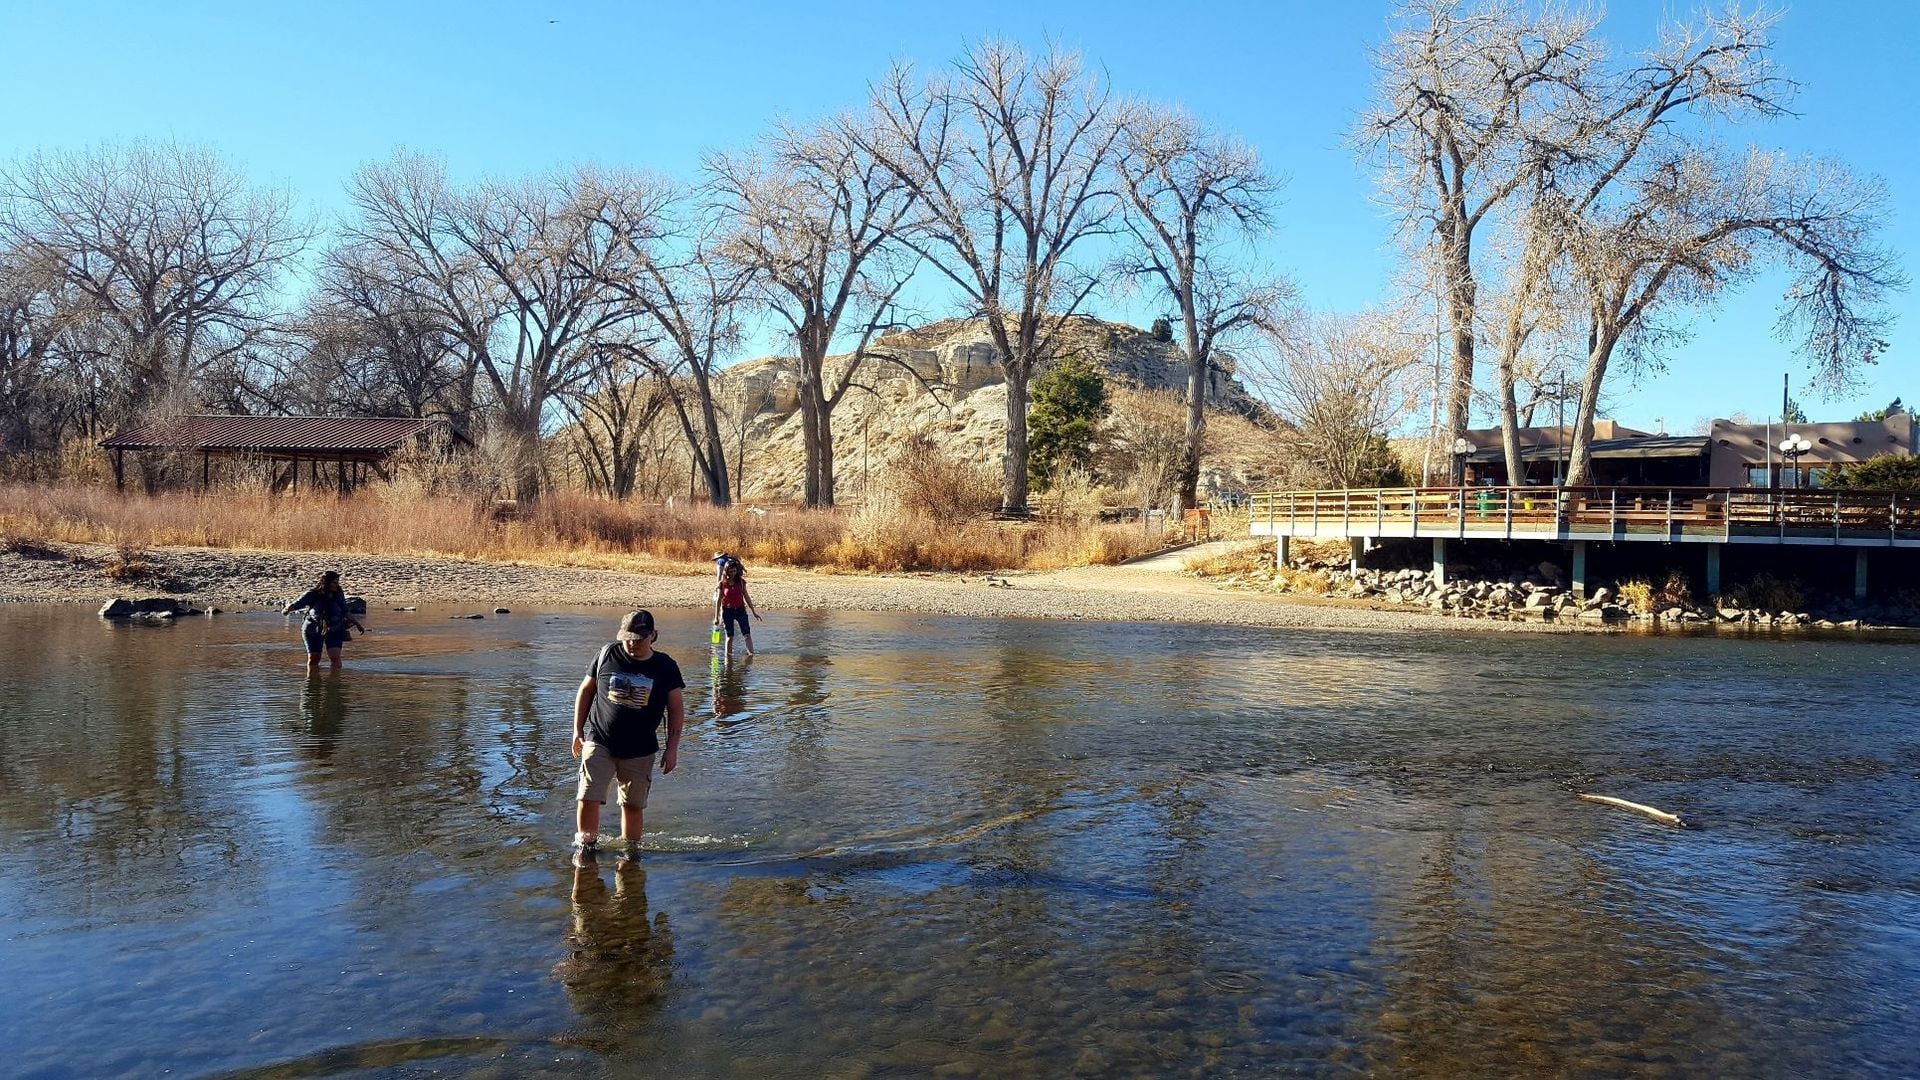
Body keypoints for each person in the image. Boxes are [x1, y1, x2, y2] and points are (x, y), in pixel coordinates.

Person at [572, 610, 685, 852]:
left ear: (653, 635)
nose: (633, 643)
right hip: (599, 740)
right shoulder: (606, 654)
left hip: (640, 749)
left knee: (632, 805)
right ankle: (586, 849)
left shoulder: (665, 666)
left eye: (639, 638)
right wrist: (577, 730)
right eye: (628, 638)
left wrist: (672, 749)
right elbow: (586, 691)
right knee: (588, 796)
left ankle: (630, 856)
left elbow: (676, 709)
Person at [282, 569, 366, 670]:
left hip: (335, 628)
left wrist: (357, 624)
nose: (336, 585)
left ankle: (335, 683)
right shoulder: (313, 594)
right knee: (314, 659)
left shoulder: (338, 593)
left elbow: (345, 610)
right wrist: (287, 609)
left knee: (335, 658)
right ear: (326, 582)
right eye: (334, 582)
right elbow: (297, 604)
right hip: (313, 628)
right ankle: (312, 682)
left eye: (337, 582)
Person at [712, 559, 760, 656]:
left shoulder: (741, 582)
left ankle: (751, 654)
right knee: (730, 637)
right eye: (730, 571)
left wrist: (754, 612)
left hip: (740, 610)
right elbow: (718, 600)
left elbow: (746, 596)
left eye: (734, 571)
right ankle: (728, 658)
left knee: (747, 634)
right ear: (726, 571)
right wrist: (716, 617)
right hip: (727, 611)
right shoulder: (723, 584)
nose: (733, 573)